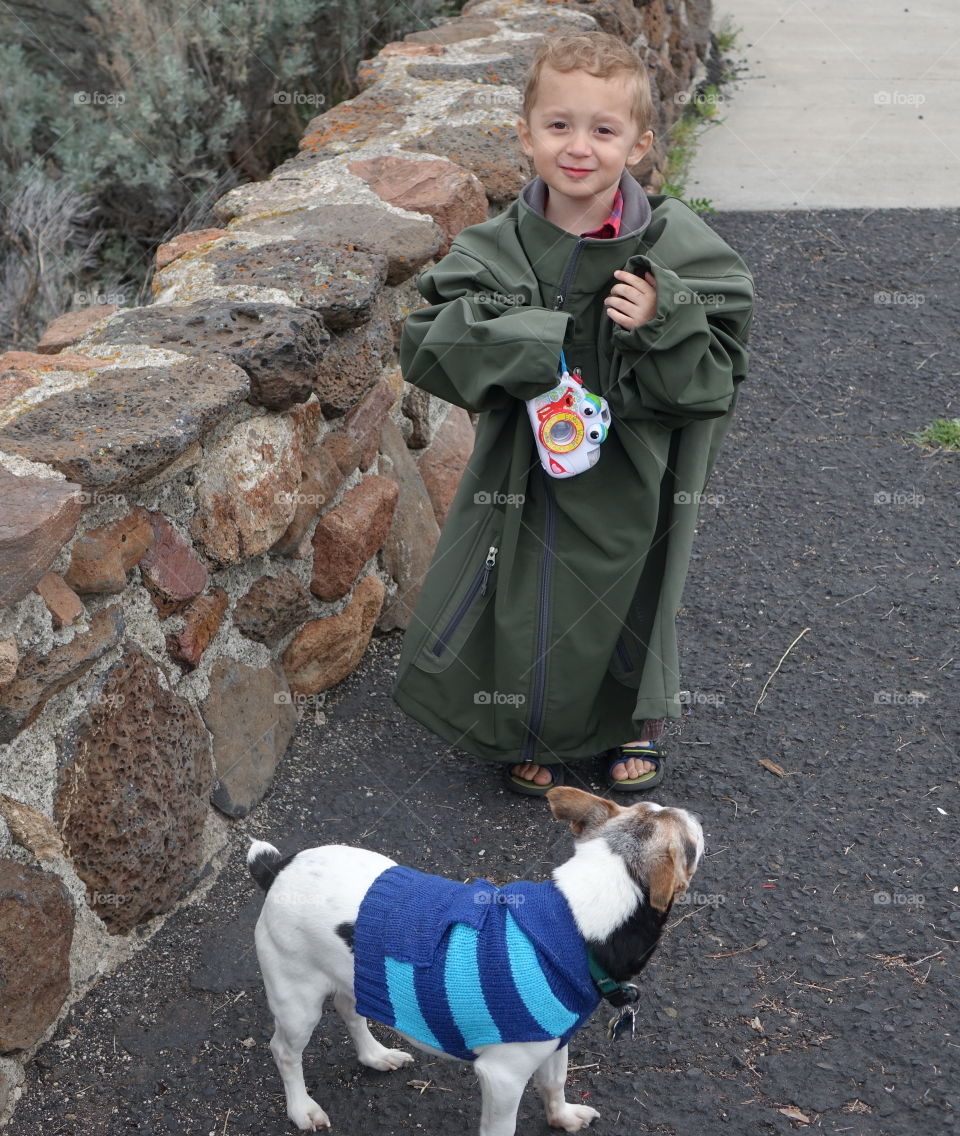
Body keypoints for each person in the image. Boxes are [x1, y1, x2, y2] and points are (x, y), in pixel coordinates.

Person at [393, 30, 754, 796]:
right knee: (534, 591)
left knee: (633, 586)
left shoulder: (674, 241)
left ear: (641, 143)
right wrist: (535, 335)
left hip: (637, 462)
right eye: (559, 126)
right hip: (532, 465)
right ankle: (537, 727)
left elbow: (719, 367)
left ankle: (634, 722)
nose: (579, 147)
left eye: (604, 129)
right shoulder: (499, 246)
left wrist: (665, 313)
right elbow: (430, 341)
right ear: (525, 137)